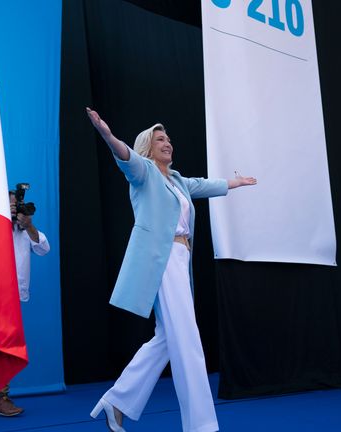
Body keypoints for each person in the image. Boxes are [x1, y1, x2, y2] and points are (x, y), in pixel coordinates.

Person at [85, 107, 256, 432]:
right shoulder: (144, 172)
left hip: (179, 261)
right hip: (162, 260)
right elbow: (125, 157)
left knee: (167, 338)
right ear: (148, 147)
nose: (168, 143)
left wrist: (236, 182)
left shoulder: (176, 180)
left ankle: (116, 401)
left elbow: (203, 185)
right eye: (160, 139)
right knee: (187, 339)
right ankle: (202, 426)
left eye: (169, 139)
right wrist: (108, 136)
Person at [0, 189, 51, 416]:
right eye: (10, 203)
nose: (14, 207)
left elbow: (43, 248)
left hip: (12, 295)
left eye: (16, 203)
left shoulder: (22, 230)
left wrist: (28, 225)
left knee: (2, 345)